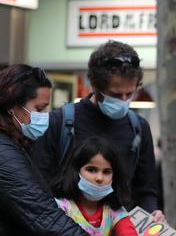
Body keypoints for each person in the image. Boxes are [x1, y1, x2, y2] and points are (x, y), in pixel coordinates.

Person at [0, 64, 164, 236]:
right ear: (13, 107)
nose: (45, 116)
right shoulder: (5, 154)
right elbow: (46, 219)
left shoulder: (16, 145)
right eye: (39, 109)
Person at [32, 41, 164, 221]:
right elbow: (39, 186)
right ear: (94, 85)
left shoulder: (139, 128)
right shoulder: (59, 123)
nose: (124, 101)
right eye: (116, 94)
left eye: (129, 94)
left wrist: (152, 213)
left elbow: (146, 191)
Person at [48, 136, 150, 236]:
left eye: (106, 171)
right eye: (92, 170)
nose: (99, 178)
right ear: (76, 171)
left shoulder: (115, 212)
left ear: (115, 177)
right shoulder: (61, 207)